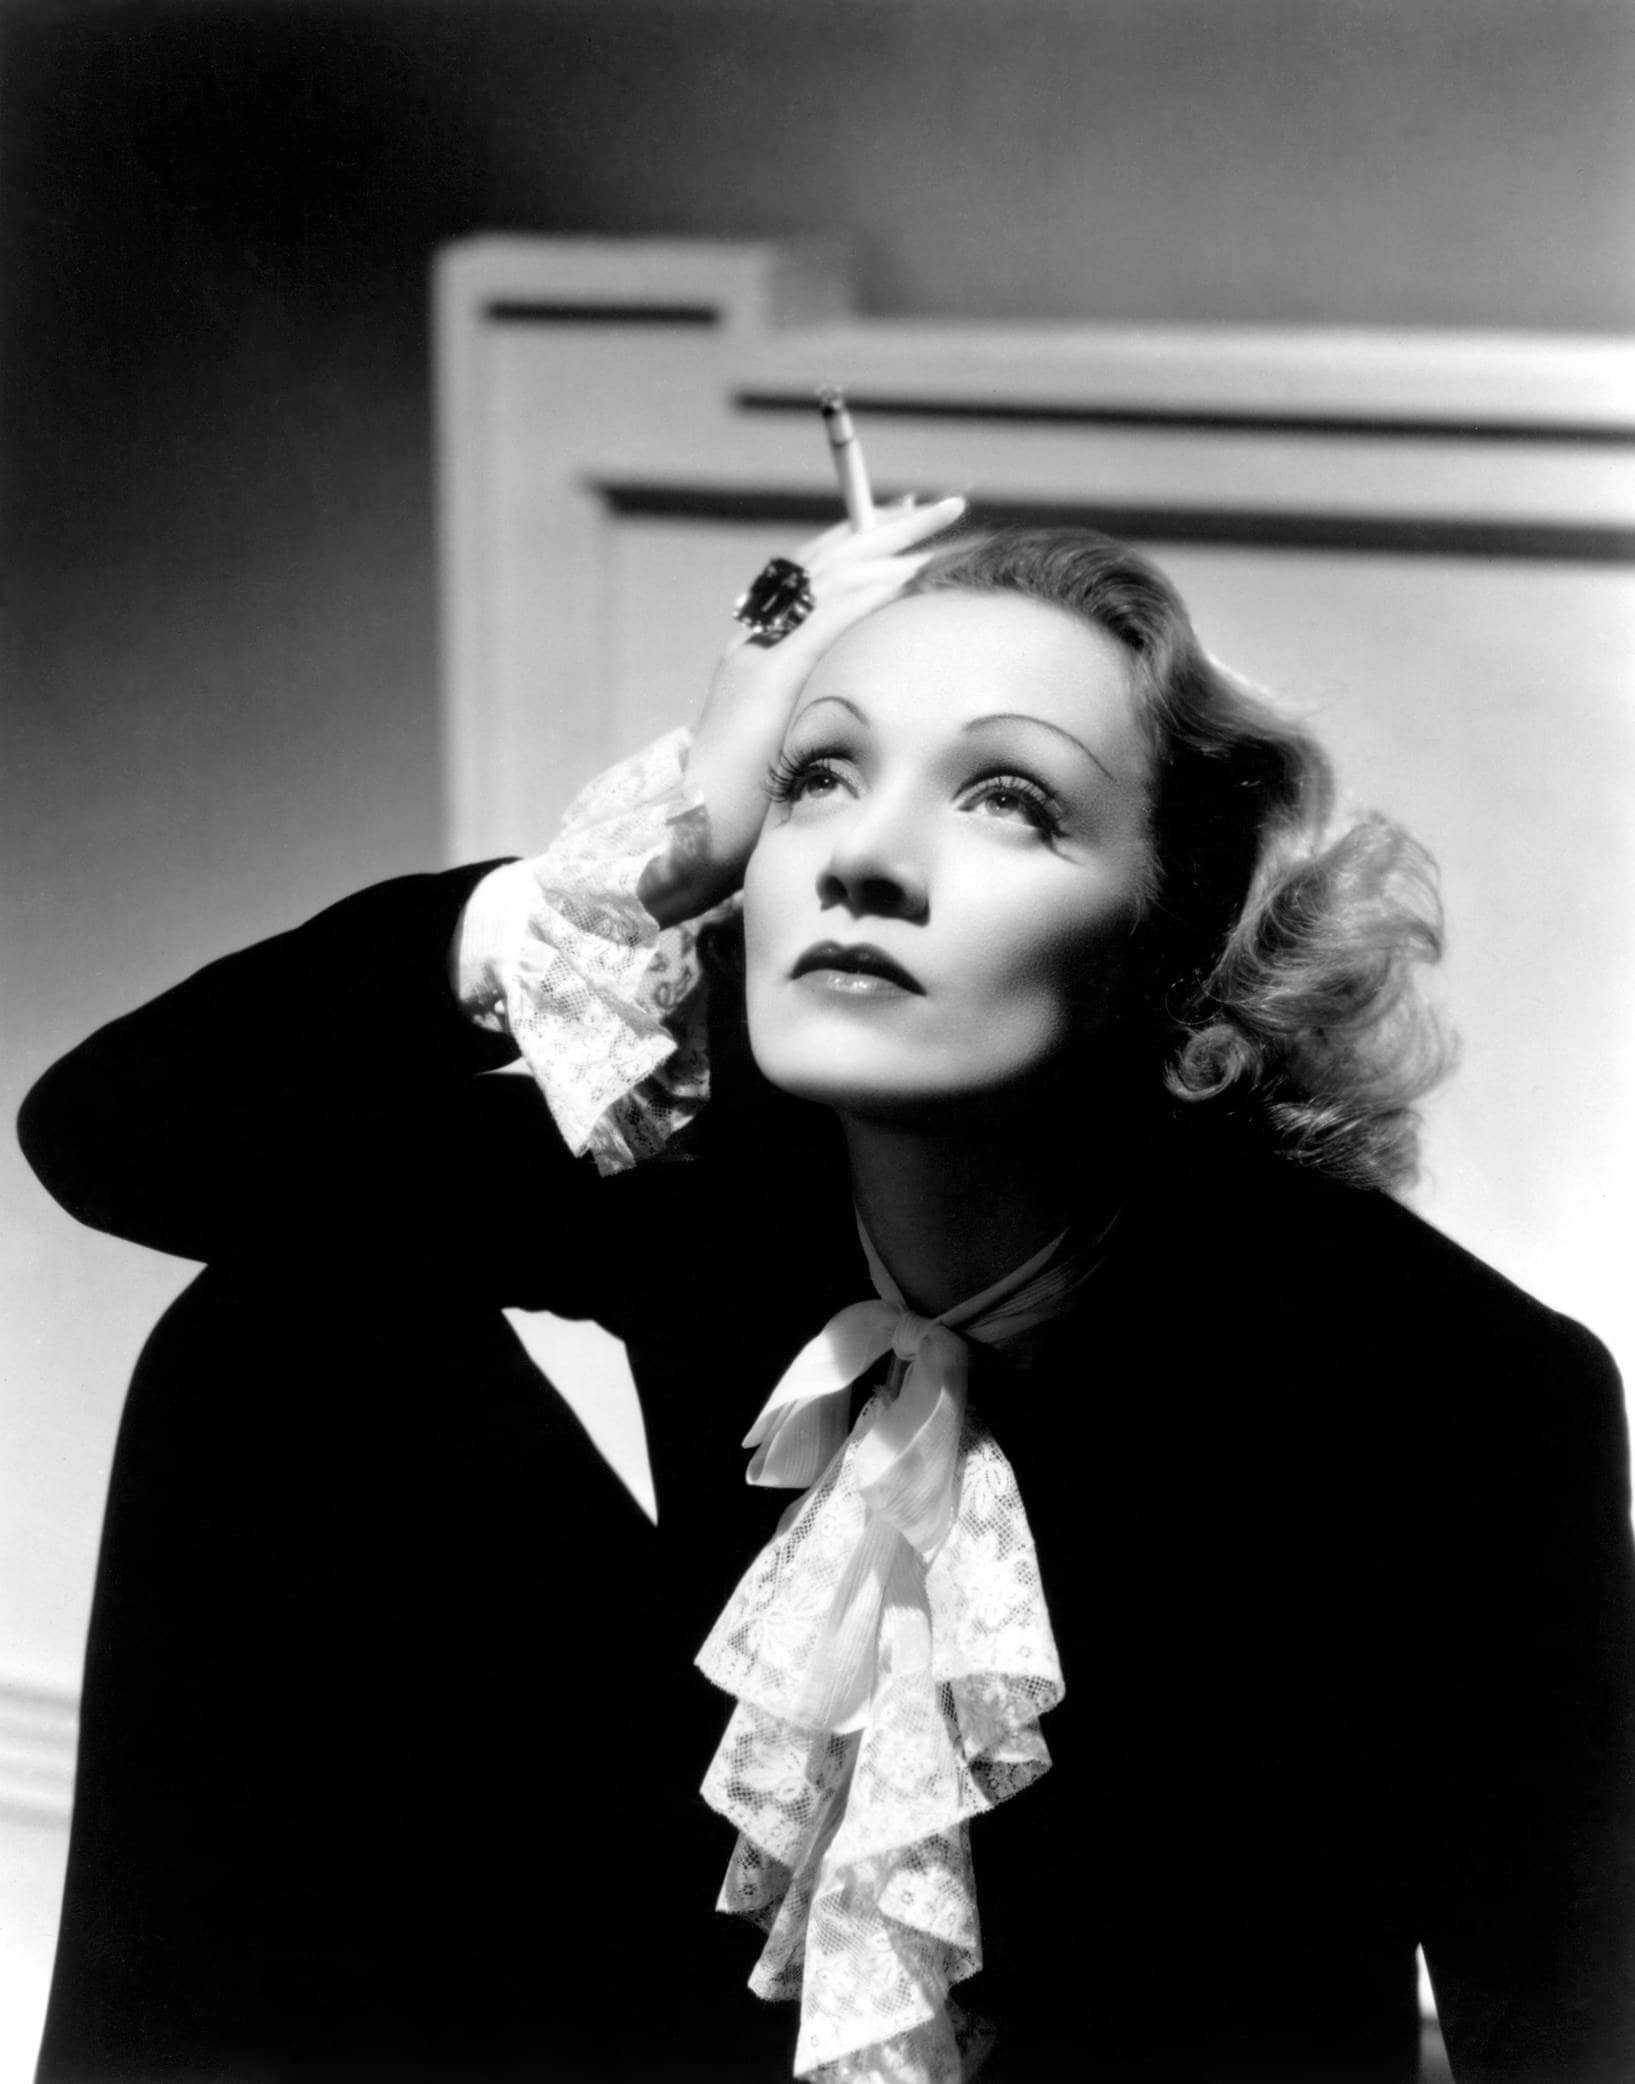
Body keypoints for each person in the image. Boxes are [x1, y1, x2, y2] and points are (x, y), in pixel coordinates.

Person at [20, 504, 1635, 2084]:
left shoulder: (1456, 1393)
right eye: (818, 777)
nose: (864, 857)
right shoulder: (719, 1173)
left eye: (1009, 799)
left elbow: (1573, 2023)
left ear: (1181, 937)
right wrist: (648, 858)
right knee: (278, 1338)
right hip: (723, 2001)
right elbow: (117, 1135)